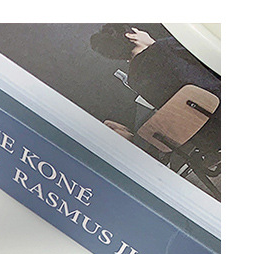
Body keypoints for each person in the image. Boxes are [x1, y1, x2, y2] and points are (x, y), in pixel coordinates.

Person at [90, 24, 220, 172]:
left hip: (208, 137)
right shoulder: (165, 47)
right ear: (131, 36)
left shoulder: (134, 80)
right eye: (138, 30)